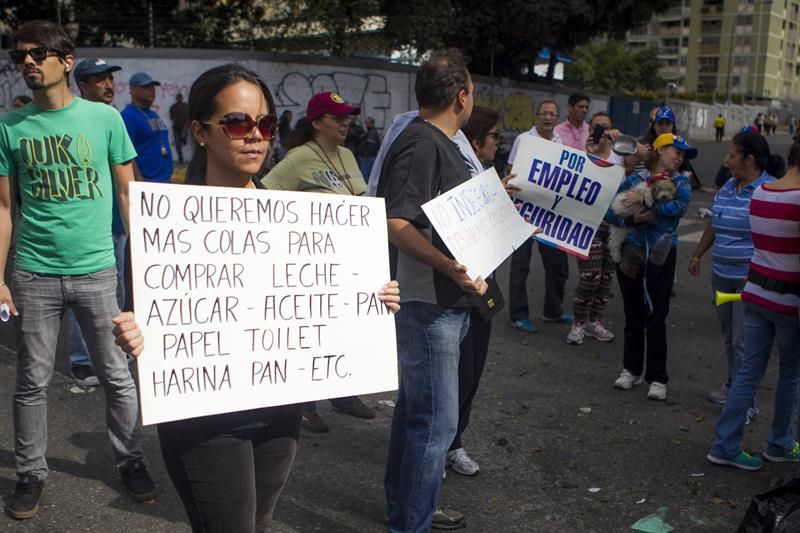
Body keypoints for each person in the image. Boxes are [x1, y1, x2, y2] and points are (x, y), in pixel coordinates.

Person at [116, 64, 400, 532]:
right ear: (199, 131)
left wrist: (373, 296)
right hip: (204, 417)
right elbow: (149, 317)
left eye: (266, 124)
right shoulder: (164, 226)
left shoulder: (293, 217)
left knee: (261, 524)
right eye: (237, 123)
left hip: (279, 406)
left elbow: (326, 291)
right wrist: (134, 333)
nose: (255, 136)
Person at [0, 20, 155, 519]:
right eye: (19, 55)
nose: (27, 61)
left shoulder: (105, 120)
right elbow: (4, 208)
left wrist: (151, 263)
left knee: (117, 374)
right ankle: (30, 472)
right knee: (31, 380)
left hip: (96, 272)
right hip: (33, 273)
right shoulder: (9, 126)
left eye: (38, 53)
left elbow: (130, 193)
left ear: (66, 62)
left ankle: (130, 459)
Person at [379, 49, 487, 533]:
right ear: (461, 96)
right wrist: (449, 265)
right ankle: (411, 523)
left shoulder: (445, 143)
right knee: (435, 426)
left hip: (451, 301)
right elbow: (396, 221)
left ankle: (405, 512)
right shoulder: (422, 142)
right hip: (430, 305)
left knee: (415, 416)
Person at [262, 91, 375, 433]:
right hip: (313, 265)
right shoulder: (299, 158)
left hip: (348, 260)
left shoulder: (348, 155)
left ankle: (342, 393)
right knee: (311, 337)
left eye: (348, 117)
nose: (346, 122)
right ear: (316, 123)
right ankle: (302, 405)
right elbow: (265, 197)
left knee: (342, 332)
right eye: (337, 117)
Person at [706, 140, 800, 471]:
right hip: (789, 299)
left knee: (747, 371)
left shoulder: (762, 193)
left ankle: (725, 445)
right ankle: (779, 443)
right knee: (790, 371)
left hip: (755, 292)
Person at [688, 132, 780, 424]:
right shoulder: (728, 186)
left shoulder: (767, 190)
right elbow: (715, 223)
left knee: (745, 341)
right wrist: (697, 255)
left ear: (749, 159)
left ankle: (747, 402)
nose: (726, 161)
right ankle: (733, 387)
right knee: (729, 337)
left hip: (749, 280)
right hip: (721, 275)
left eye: (731, 155)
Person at [606, 133, 696, 401]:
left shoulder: (682, 182)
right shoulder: (633, 179)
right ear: (659, 150)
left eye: (683, 154)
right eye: (675, 150)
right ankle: (631, 370)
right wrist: (632, 218)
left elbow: (677, 208)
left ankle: (657, 378)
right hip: (630, 254)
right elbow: (612, 211)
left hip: (661, 255)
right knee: (633, 315)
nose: (679, 157)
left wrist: (646, 199)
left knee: (657, 317)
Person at [63, 57, 126, 388]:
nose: (108, 85)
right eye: (99, 79)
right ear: (82, 85)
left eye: (110, 78)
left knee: (117, 294)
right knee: (81, 297)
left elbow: (126, 180)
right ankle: (82, 362)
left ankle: (114, 353)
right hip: (88, 232)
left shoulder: (111, 119)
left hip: (118, 224)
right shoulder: (72, 122)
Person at [508, 99, 573, 333]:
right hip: (524, 211)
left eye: (552, 114)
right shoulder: (523, 140)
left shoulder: (561, 141)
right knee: (520, 266)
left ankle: (553, 310)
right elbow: (512, 172)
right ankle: (518, 314)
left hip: (551, 214)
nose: (548, 118)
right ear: (537, 117)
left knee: (557, 265)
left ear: (557, 119)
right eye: (544, 113)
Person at [565, 112, 623, 345]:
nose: (602, 131)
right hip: (587, 224)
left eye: (606, 127)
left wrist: (622, 139)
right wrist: (590, 155)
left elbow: (645, 156)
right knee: (590, 275)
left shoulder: (620, 155)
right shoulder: (581, 156)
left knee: (606, 278)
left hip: (613, 225)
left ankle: (594, 322)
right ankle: (579, 322)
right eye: (597, 127)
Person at [121, 71, 173, 183]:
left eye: (152, 87)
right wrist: (138, 180)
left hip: (163, 180)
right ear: (133, 90)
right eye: (145, 87)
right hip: (147, 182)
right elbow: (126, 153)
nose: (151, 90)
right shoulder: (128, 116)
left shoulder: (153, 114)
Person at [169, 93, 189, 163]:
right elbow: (171, 116)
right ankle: (181, 159)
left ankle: (183, 140)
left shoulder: (185, 106)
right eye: (177, 97)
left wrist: (186, 125)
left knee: (183, 138)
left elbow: (188, 116)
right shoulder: (173, 107)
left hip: (184, 127)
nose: (178, 99)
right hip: (176, 127)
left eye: (180, 97)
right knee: (177, 143)